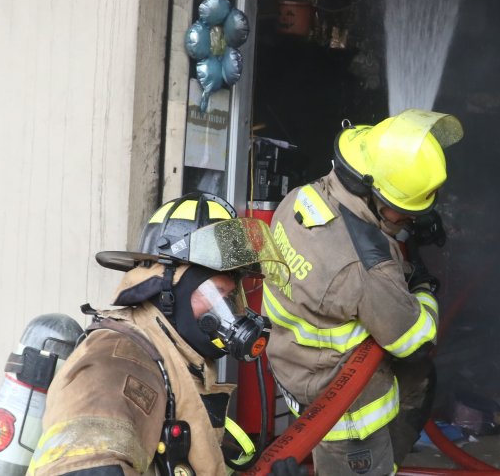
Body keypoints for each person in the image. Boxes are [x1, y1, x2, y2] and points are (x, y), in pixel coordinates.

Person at [28, 192, 301, 476]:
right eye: (216, 294)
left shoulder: (174, 355)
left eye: (233, 297)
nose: (231, 313)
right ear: (170, 291)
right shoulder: (116, 365)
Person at [261, 109, 462, 476]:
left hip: (295, 366)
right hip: (346, 410)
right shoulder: (364, 269)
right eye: (404, 214)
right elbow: (414, 340)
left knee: (420, 381)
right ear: (375, 195)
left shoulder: (299, 200)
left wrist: (397, 233)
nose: (407, 221)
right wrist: (421, 285)